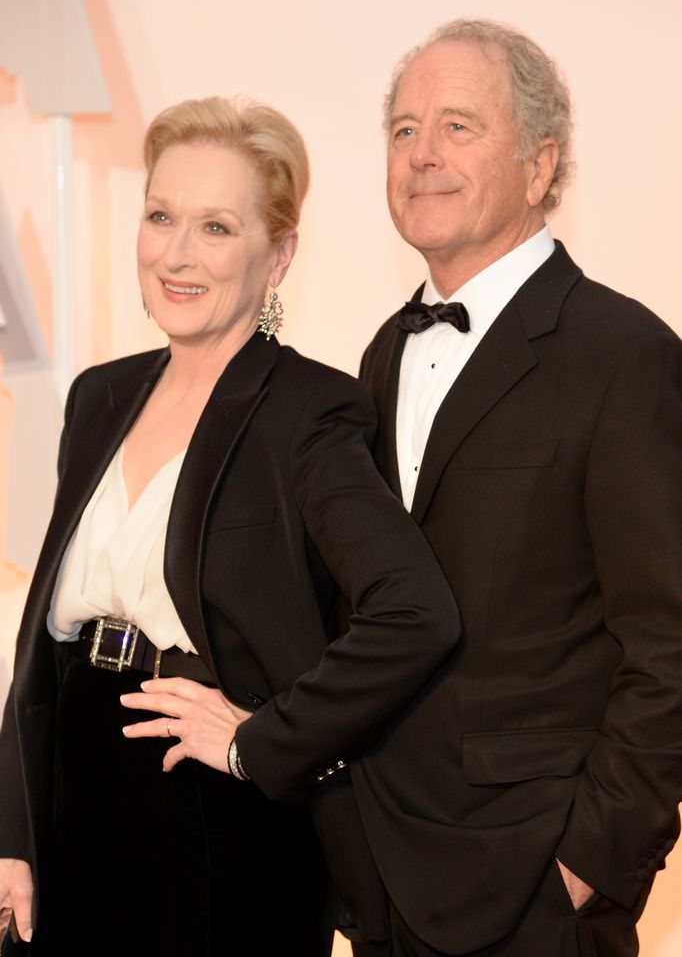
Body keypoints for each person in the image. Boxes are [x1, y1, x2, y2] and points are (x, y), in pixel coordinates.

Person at [0, 96, 460, 957]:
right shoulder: (98, 395)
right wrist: (13, 827)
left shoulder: (308, 410)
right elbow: (39, 647)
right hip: (73, 789)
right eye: (161, 216)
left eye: (216, 227)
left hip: (214, 817)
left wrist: (261, 740)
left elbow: (415, 613)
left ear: (277, 255)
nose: (177, 253)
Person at [352, 19, 682, 957]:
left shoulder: (626, 356)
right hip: (386, 877)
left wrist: (586, 864)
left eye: (458, 125)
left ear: (540, 167)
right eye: (404, 128)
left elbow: (670, 643)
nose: (421, 154)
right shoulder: (383, 353)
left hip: (536, 885)